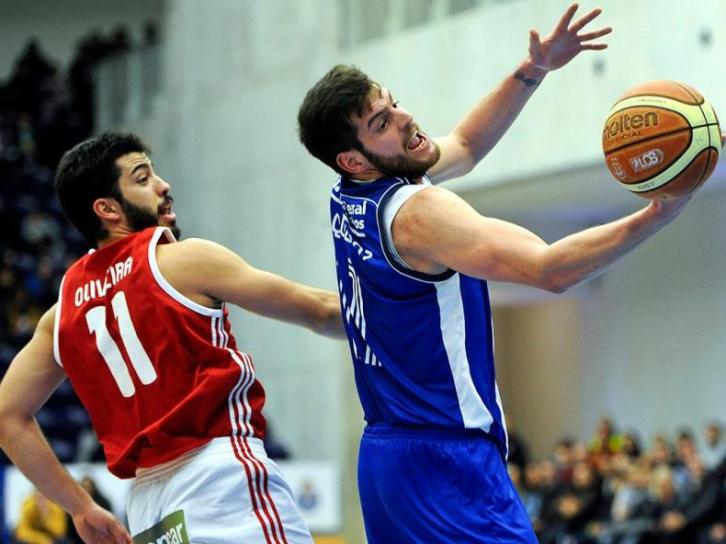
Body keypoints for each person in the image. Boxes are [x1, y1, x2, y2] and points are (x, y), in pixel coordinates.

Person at [297, 3, 725, 542]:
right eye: (381, 123)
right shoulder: (419, 215)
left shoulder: (348, 197)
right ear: (354, 159)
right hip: (445, 459)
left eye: (393, 104)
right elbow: (550, 270)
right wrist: (658, 213)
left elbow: (466, 145)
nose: (405, 118)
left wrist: (534, 69)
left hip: (384, 458)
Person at [0, 133, 345, 544]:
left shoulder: (61, 315)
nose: (163, 185)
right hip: (222, 481)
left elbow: (7, 416)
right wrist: (405, 311)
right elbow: (322, 310)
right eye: (143, 178)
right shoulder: (182, 260)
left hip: (149, 507)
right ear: (107, 209)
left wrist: (79, 507)